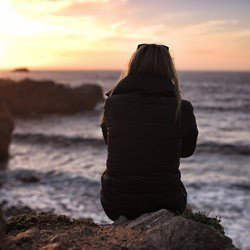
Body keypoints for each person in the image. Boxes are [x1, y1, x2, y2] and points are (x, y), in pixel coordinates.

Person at [100, 43, 198, 221]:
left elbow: (111, 142)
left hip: (114, 203)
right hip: (165, 203)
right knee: (177, 189)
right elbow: (186, 151)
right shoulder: (181, 107)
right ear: (169, 68)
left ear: (133, 65)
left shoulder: (112, 103)